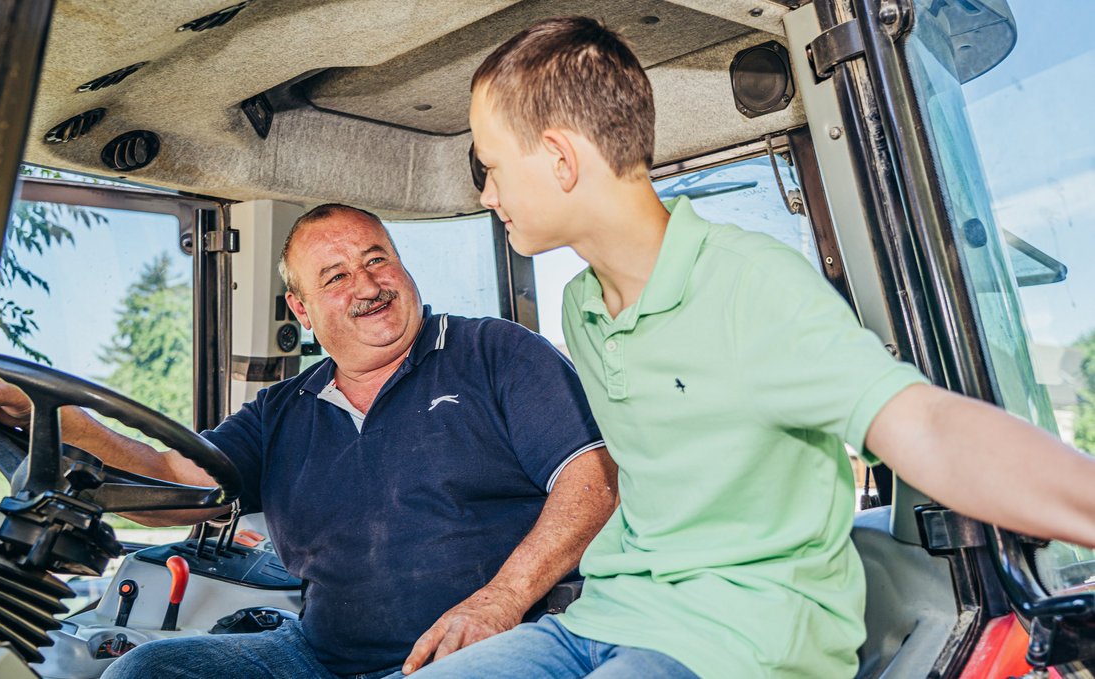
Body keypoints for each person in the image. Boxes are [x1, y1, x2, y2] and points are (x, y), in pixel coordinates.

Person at [407, 16, 1095, 679]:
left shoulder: (749, 283)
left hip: (740, 634)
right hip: (605, 617)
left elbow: (928, 426)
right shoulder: (579, 308)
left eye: (491, 166)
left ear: (559, 158)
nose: (489, 193)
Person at [0, 204, 618, 679]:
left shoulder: (494, 352)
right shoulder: (282, 408)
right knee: (141, 671)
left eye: (376, 259)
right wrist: (63, 419)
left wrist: (498, 605)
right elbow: (175, 482)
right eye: (336, 276)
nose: (367, 285)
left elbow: (594, 483)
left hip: (488, 647)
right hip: (318, 653)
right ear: (302, 310)